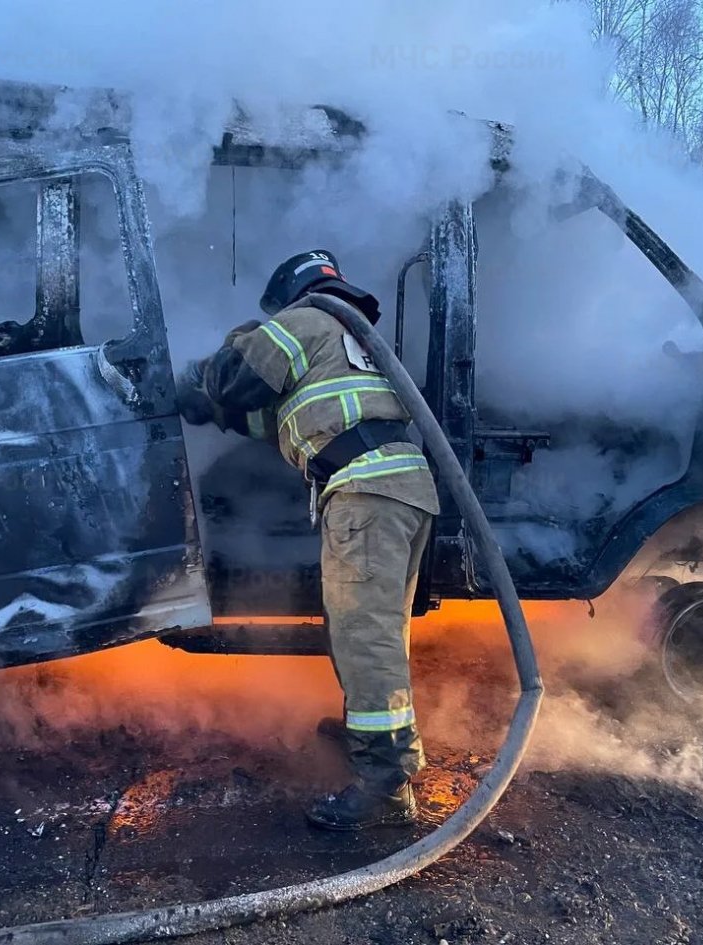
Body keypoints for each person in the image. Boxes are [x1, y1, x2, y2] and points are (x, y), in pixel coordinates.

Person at [176, 250, 440, 831]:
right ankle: (376, 745)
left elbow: (235, 377)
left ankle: (385, 786)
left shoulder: (304, 321)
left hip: (367, 494)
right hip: (395, 489)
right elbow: (283, 420)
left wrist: (194, 378)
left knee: (365, 637)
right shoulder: (354, 341)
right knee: (370, 633)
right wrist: (214, 416)